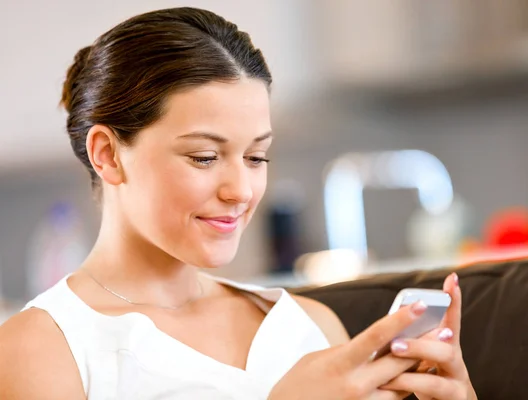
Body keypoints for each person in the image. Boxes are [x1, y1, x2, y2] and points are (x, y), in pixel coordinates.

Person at [0, 7, 477, 400]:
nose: (241, 190)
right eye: (205, 157)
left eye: (256, 156)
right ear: (107, 155)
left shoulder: (309, 325)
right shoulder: (42, 349)